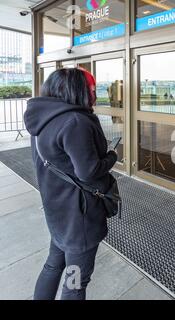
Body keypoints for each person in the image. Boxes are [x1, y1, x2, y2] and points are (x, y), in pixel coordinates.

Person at [24, 68, 118, 300]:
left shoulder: (44, 119)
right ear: (79, 91)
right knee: (75, 283)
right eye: (93, 90)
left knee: (53, 266)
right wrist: (112, 156)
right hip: (79, 220)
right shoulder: (75, 121)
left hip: (57, 214)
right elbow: (89, 171)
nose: (95, 95)